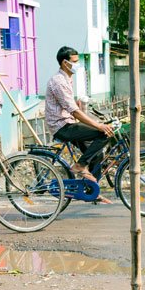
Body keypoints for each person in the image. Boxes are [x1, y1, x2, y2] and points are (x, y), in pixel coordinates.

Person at [44, 46, 114, 187]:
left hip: (68, 123)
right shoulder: (58, 82)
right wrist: (98, 125)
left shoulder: (67, 79)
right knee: (104, 134)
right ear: (65, 63)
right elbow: (74, 111)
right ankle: (80, 166)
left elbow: (73, 107)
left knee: (97, 155)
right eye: (75, 61)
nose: (78, 65)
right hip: (62, 126)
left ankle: (92, 191)